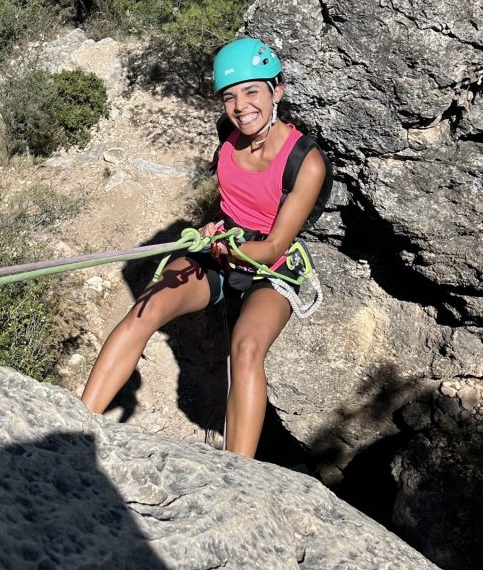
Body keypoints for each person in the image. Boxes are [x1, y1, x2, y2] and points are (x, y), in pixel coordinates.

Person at [81, 37, 327, 458]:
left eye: (252, 91)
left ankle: (239, 472)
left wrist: (232, 249)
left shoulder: (307, 162)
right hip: (219, 246)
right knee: (147, 309)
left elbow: (274, 246)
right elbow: (233, 198)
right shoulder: (228, 137)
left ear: (277, 91)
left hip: (271, 265)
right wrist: (213, 230)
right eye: (230, 96)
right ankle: (78, 423)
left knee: (246, 348)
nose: (240, 106)